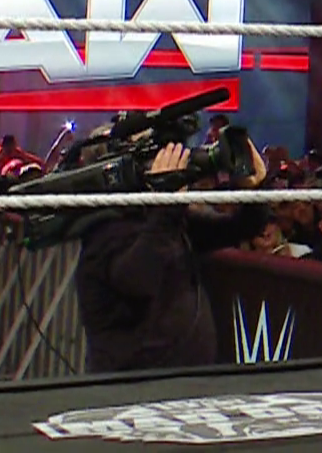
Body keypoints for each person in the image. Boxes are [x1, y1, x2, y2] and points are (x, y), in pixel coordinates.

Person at [73, 138, 270, 372]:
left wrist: (255, 188)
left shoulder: (160, 219)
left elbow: (242, 227)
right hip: (133, 384)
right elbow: (139, 280)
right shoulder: (104, 230)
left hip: (184, 380)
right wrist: (167, 205)